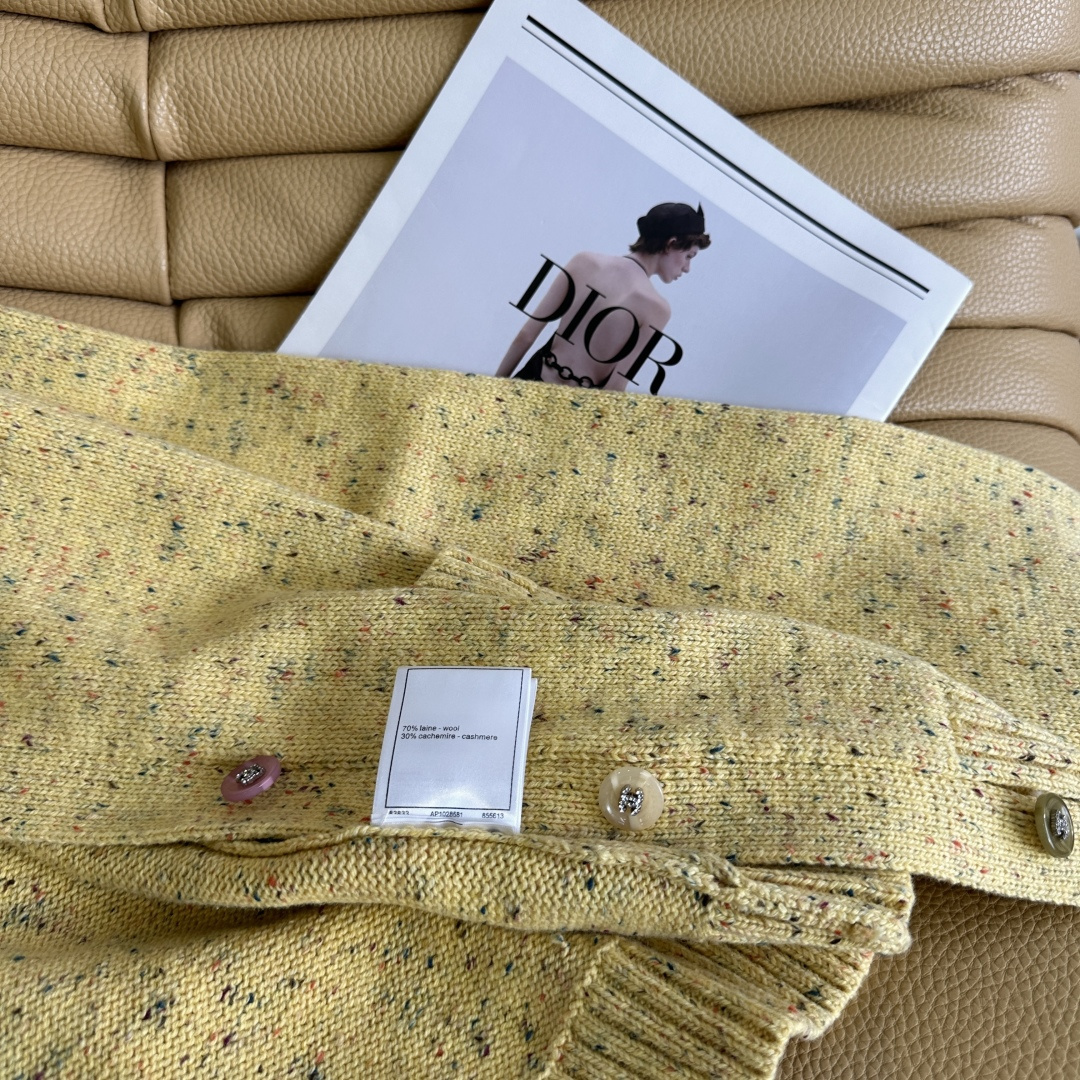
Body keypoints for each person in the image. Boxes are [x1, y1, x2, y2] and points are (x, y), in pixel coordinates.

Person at [496, 202, 711, 391]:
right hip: (574, 411)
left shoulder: (584, 262)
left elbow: (526, 335)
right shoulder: (657, 308)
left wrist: (491, 391)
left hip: (529, 383)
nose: (687, 268)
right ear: (670, 244)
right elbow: (615, 387)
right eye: (689, 256)